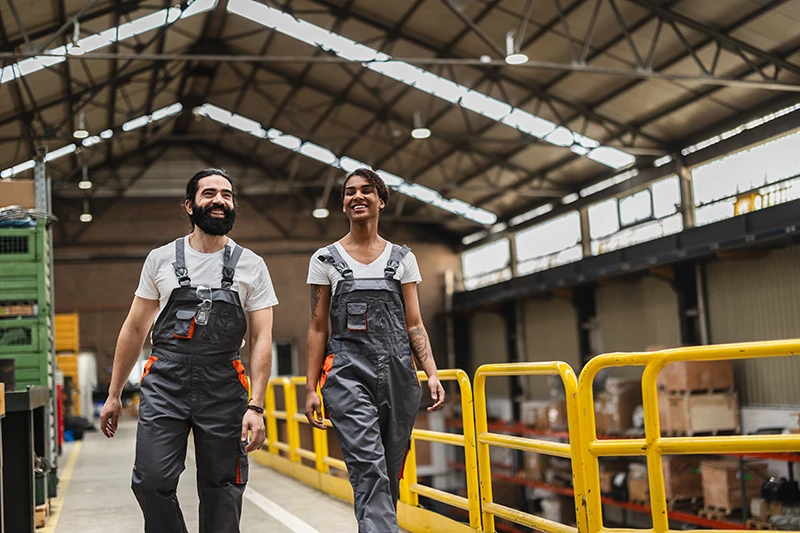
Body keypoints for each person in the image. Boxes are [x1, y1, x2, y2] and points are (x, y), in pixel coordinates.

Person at [99, 168, 277, 533]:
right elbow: (134, 328)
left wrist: (256, 406)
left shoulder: (252, 265)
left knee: (222, 486)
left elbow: (261, 338)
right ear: (189, 205)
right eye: (209, 193)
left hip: (224, 384)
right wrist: (114, 394)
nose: (219, 201)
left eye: (226, 195)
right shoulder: (160, 259)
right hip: (166, 381)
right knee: (150, 479)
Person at [304, 167, 445, 532]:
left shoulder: (402, 258)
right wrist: (310, 389)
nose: (357, 196)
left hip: (398, 371)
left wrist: (431, 372)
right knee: (367, 464)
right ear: (344, 204)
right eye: (350, 192)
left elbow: (414, 323)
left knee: (389, 467)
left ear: (381, 200)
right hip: (346, 372)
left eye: (367, 190)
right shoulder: (325, 259)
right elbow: (318, 327)